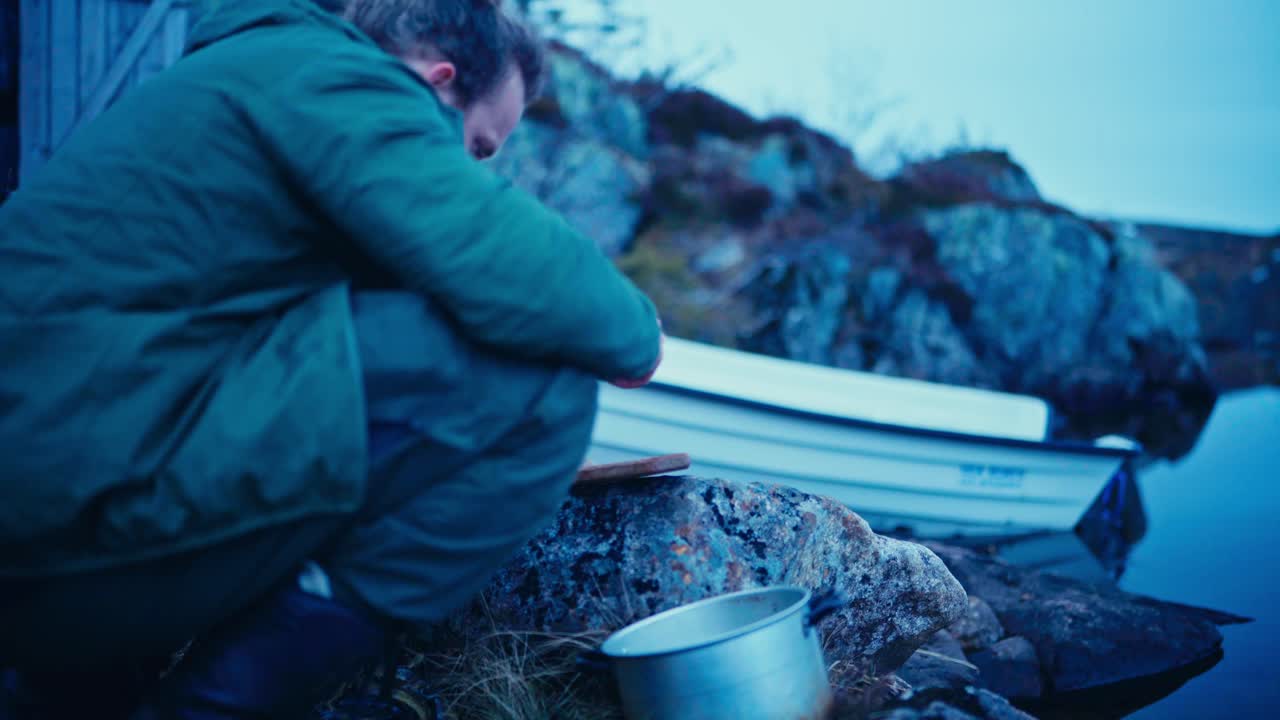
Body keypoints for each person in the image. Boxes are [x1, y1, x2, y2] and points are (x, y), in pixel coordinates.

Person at [0, 0, 662, 717]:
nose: (466, 169)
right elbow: (507, 267)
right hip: (56, 505)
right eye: (474, 148)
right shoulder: (329, 76)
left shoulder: (254, 74)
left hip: (54, 487)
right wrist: (640, 329)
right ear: (434, 81)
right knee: (540, 385)